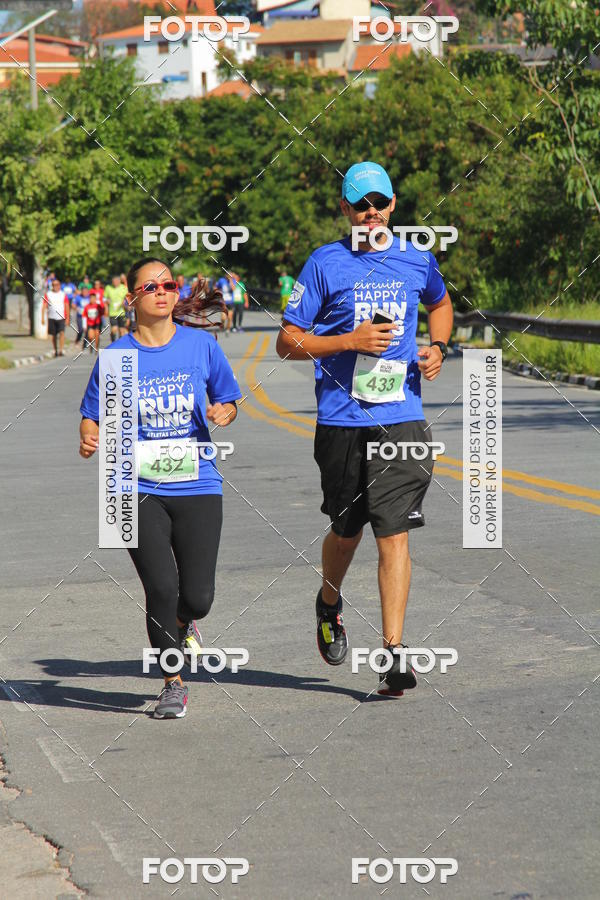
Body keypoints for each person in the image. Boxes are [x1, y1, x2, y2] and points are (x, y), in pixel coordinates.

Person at [276, 161, 453, 697]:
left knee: (393, 533)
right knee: (347, 530)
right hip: (340, 419)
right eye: (360, 204)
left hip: (400, 415)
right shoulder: (324, 264)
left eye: (379, 201)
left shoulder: (416, 258)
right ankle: (329, 601)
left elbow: (441, 305)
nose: (370, 211)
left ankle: (395, 652)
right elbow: (287, 342)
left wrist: (437, 347)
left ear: (393, 204)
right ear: (346, 210)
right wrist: (348, 341)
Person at [79, 258, 242, 719]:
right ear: (132, 298)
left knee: (198, 597)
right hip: (131, 486)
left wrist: (225, 413)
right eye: (149, 287)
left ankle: (184, 623)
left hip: (197, 482)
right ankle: (172, 682)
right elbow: (92, 416)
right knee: (161, 587)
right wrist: (89, 435)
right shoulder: (115, 358)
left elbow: (227, 398)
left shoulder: (200, 346)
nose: (161, 291)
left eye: (168, 284)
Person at [41, 277, 69, 356]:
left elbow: (67, 306)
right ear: (52, 286)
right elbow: (44, 306)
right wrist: (42, 318)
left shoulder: (63, 294)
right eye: (54, 285)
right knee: (53, 335)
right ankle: (55, 350)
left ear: (60, 285)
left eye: (57, 284)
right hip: (51, 317)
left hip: (61, 317)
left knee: (62, 333)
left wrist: (67, 318)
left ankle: (61, 350)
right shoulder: (48, 294)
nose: (56, 286)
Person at [104, 275, 129, 342]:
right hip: (112, 312)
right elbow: (104, 298)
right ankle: (113, 342)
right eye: (113, 282)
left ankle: (120, 345)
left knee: (122, 331)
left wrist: (125, 302)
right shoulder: (108, 288)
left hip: (121, 312)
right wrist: (106, 304)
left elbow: (128, 298)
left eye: (116, 281)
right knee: (114, 330)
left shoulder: (124, 288)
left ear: (119, 281)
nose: (115, 283)